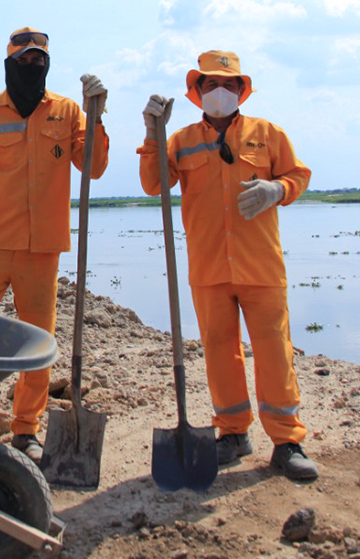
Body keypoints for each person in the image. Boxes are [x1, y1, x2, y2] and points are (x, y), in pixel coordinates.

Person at [137, 50, 317, 480]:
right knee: (220, 352)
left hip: (262, 268)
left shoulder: (267, 134)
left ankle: (287, 441)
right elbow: (153, 184)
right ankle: (233, 433)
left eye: (229, 84)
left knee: (274, 352)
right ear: (197, 92)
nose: (220, 91)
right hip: (209, 267)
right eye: (211, 84)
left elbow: (299, 175)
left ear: (242, 90)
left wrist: (277, 190)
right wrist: (152, 135)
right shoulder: (179, 140)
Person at [0, 27, 110, 463]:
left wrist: (96, 117)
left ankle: (26, 430)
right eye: (23, 60)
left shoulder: (67, 112)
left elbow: (92, 168)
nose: (31, 66)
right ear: (9, 64)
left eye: (38, 60)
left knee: (38, 345)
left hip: (43, 252)